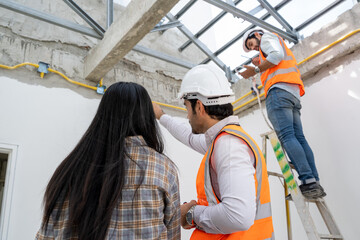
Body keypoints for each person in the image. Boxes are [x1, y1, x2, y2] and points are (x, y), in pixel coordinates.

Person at [35, 82, 180, 240]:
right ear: (146, 118)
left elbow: (47, 234)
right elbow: (173, 235)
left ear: (103, 114)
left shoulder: (71, 168)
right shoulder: (163, 168)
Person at [153, 64, 274, 239]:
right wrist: (161, 116)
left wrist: (190, 214)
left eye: (187, 107)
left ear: (200, 107)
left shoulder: (229, 145)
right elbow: (189, 137)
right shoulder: (223, 140)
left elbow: (237, 217)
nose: (187, 116)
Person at [239, 28, 326, 199]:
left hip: (278, 93)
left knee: (287, 137)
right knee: (299, 138)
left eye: (251, 44)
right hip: (292, 93)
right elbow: (276, 59)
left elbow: (276, 56)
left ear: (256, 34)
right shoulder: (271, 44)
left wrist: (255, 71)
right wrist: (261, 65)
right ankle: (313, 181)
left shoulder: (266, 38)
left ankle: (308, 182)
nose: (254, 48)